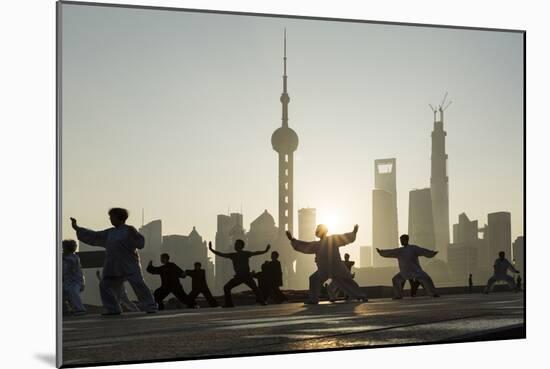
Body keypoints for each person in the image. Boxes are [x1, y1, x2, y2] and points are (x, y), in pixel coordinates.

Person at [70, 208, 158, 315]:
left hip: (129, 263)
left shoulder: (129, 230)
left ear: (118, 217)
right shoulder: (110, 232)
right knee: (105, 285)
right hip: (113, 264)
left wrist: (133, 241)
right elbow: (95, 235)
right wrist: (78, 228)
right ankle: (113, 308)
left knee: (138, 284)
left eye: (112, 217)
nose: (110, 220)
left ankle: (150, 306)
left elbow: (140, 243)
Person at [286, 224, 368, 305]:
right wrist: (292, 239)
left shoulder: (325, 242)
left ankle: (313, 299)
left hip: (329, 268)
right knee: (346, 281)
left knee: (315, 279)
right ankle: (361, 296)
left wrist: (292, 240)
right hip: (332, 268)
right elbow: (306, 246)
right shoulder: (328, 241)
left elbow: (305, 246)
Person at [376, 234, 440, 299]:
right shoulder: (400, 251)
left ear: (406, 240)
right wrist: (381, 252)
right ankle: (398, 295)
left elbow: (423, 251)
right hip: (405, 272)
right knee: (396, 279)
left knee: (426, 279)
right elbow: (390, 252)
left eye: (402, 240)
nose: (401, 242)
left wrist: (431, 253)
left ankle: (433, 293)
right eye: (400, 240)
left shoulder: (413, 248)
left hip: (416, 271)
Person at [209, 240, 268, 307]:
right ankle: (229, 304)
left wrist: (265, 251)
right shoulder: (234, 255)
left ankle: (262, 302)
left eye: (236, 244)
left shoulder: (243, 254)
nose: (235, 246)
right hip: (240, 276)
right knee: (254, 289)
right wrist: (211, 249)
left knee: (255, 289)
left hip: (245, 276)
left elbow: (256, 253)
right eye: (235, 244)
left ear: (241, 246)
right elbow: (222, 254)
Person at [62, 240, 86, 316]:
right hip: (68, 281)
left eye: (63, 248)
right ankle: (65, 310)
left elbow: (70, 261)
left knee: (73, 293)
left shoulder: (74, 257)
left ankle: (80, 309)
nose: (62, 249)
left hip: (75, 282)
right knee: (63, 294)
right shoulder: (65, 258)